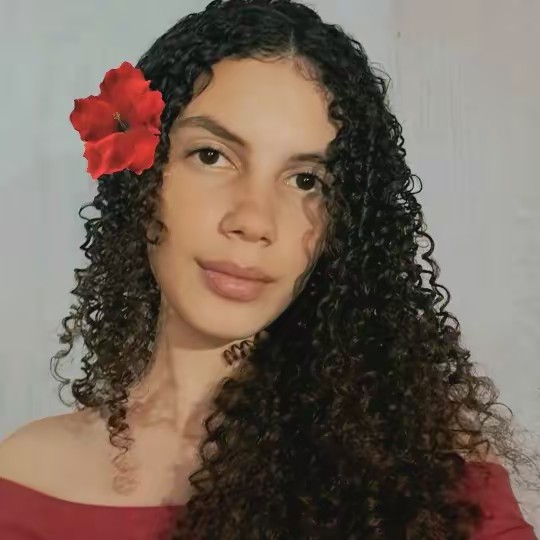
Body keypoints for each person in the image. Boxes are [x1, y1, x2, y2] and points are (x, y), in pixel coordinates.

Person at [0, 0, 538, 538]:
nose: (254, 220)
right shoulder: (23, 481)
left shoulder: (428, 483)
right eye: (212, 155)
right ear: (142, 175)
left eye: (306, 180)